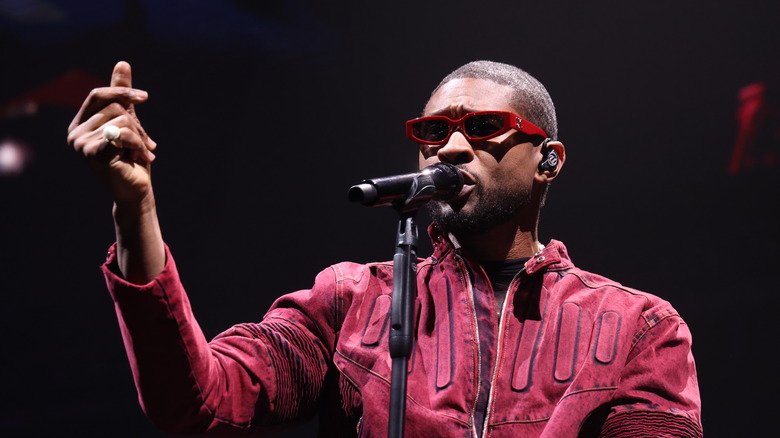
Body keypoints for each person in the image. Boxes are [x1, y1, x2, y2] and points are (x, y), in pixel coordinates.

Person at [67, 60, 703, 437]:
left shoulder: (639, 328)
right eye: (433, 132)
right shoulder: (351, 301)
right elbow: (199, 401)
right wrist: (136, 208)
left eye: (482, 128)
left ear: (549, 162)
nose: (450, 148)